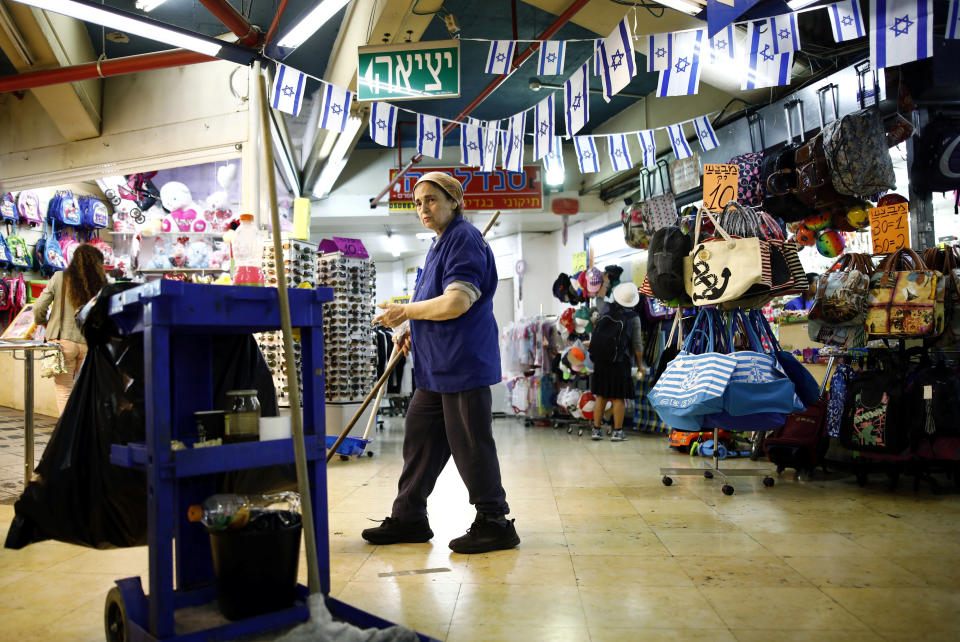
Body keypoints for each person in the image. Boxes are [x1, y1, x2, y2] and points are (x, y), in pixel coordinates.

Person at [362, 171, 518, 554]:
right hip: (435, 368)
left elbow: (456, 302)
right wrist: (413, 325)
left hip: (462, 364)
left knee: (471, 445)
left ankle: (495, 521)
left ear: (453, 201)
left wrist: (405, 311)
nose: (423, 209)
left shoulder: (464, 240)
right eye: (418, 203)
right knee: (419, 440)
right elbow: (435, 302)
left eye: (431, 199)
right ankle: (409, 517)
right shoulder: (438, 244)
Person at [33, 244, 107, 414]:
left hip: (62, 342)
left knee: (64, 390)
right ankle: (85, 431)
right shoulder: (100, 284)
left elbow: (38, 308)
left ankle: (68, 434)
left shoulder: (60, 277)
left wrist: (44, 322)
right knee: (86, 391)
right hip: (88, 343)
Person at [588, 282, 643, 442]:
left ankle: (596, 430)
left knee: (602, 396)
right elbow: (637, 345)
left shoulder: (605, 309)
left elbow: (596, 329)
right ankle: (617, 432)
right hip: (620, 362)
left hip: (601, 360)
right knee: (618, 397)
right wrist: (640, 365)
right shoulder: (633, 318)